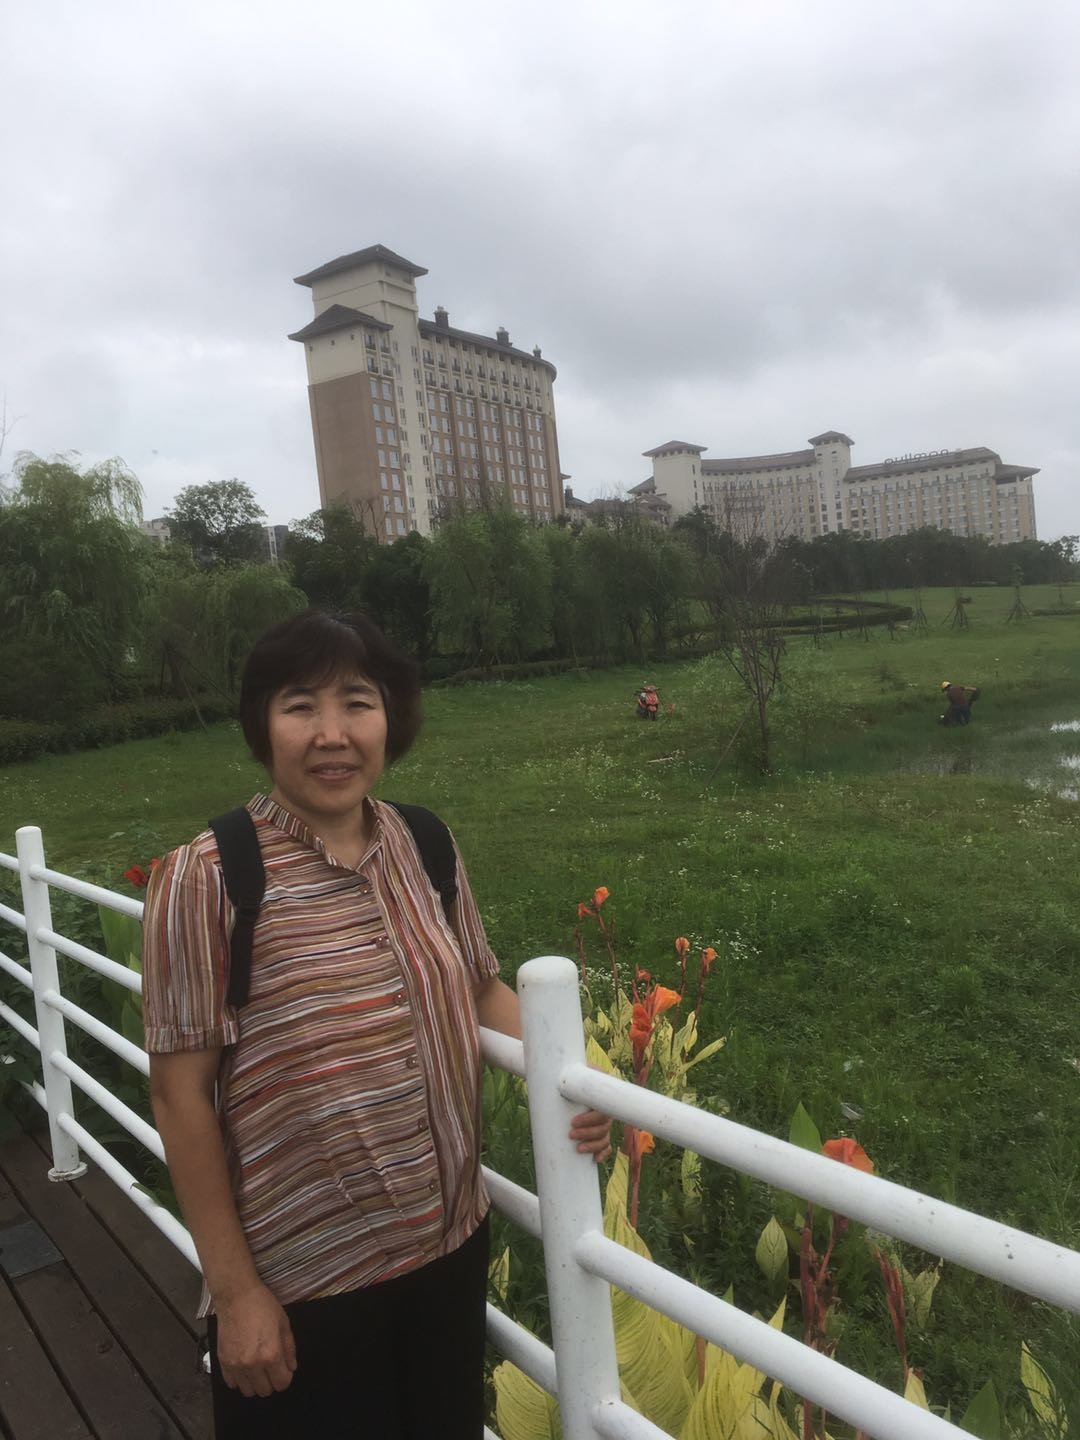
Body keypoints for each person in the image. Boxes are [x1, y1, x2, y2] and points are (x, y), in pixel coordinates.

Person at [141, 610, 612, 1440]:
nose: (333, 734)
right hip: (304, 1282)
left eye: (356, 703)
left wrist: (575, 1082)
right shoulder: (207, 878)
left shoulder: (425, 842)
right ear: (262, 726)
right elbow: (180, 1097)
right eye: (300, 706)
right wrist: (237, 1292)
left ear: (390, 716)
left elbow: (479, 989)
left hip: (449, 1252)